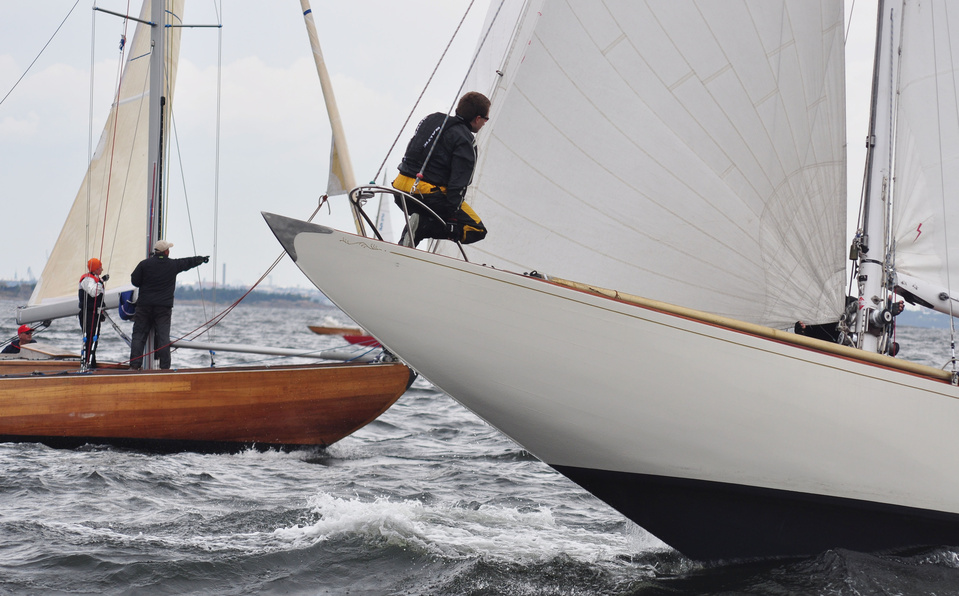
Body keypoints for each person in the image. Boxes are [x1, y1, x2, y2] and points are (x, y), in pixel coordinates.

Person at [392, 91, 491, 247]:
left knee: (427, 212)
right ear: (478, 118)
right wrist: (452, 218)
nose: (485, 123)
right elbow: (459, 183)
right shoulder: (466, 139)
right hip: (426, 195)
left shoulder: (432, 119)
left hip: (400, 190)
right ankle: (422, 226)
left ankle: (406, 243)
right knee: (476, 229)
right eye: (486, 119)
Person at [129, 240, 208, 370]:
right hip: (163, 308)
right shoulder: (173, 265)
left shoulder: (144, 264)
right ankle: (164, 368)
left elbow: (135, 281)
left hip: (144, 306)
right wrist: (201, 259)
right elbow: (187, 262)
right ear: (166, 252)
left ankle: (134, 366)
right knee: (163, 337)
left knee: (139, 335)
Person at [78, 257, 108, 366]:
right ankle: (87, 362)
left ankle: (92, 361)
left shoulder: (95, 279)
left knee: (95, 338)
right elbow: (93, 292)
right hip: (88, 313)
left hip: (95, 313)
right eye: (100, 267)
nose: (102, 269)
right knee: (89, 337)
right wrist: (101, 281)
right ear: (95, 269)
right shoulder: (87, 280)